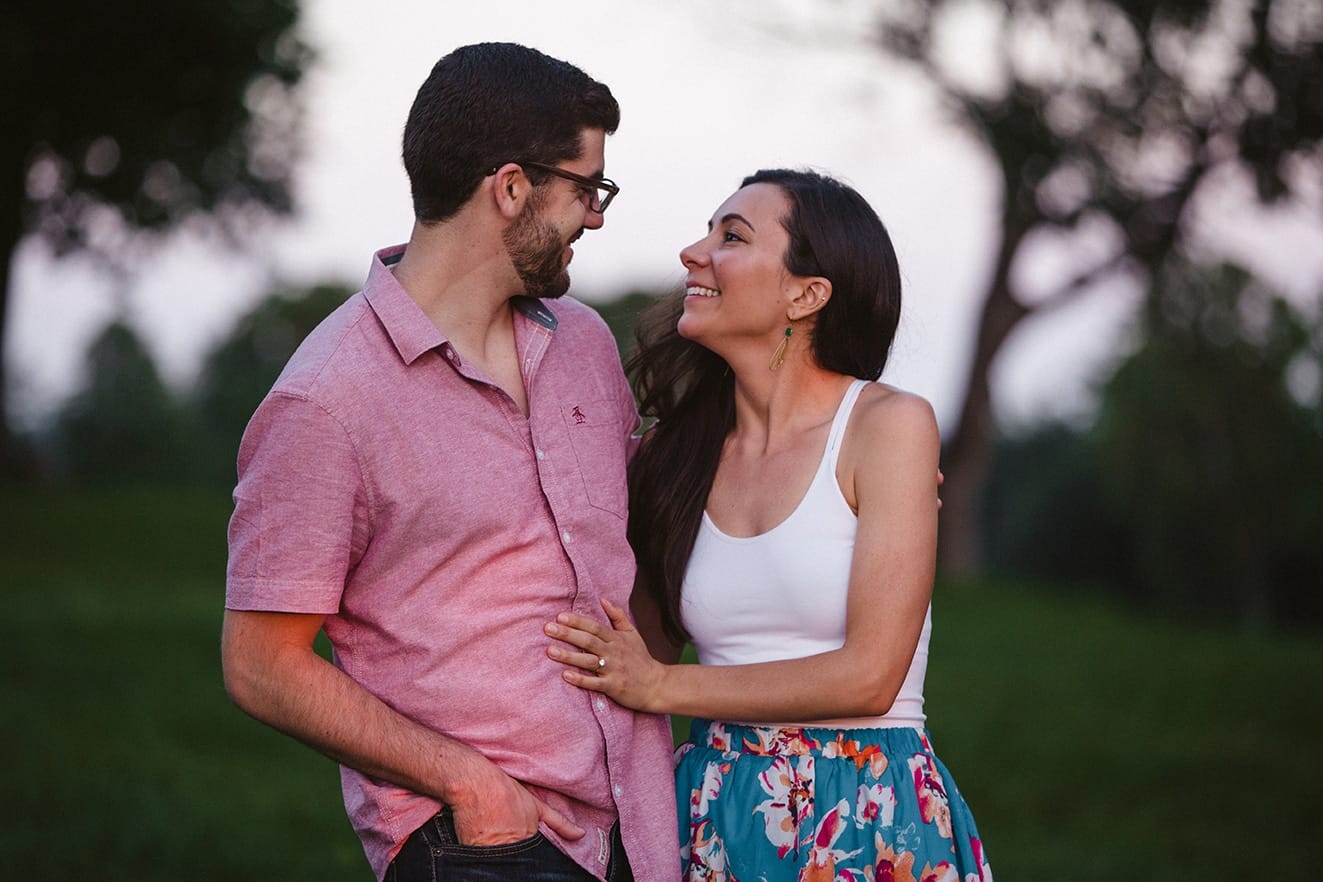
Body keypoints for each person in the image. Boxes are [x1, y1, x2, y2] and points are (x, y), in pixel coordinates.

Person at [221, 43, 678, 882]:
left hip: (635, 828)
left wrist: (837, 460)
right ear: (510, 188)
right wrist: (466, 783)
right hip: (479, 845)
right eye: (586, 189)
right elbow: (260, 665)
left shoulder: (579, 343)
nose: (598, 216)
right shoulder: (325, 401)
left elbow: (642, 508)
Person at [544, 169, 992, 881]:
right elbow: (632, 651)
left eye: (731, 237)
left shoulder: (887, 427)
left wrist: (661, 687)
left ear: (806, 294)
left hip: (868, 808)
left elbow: (869, 678)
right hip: (713, 812)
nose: (694, 252)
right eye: (708, 231)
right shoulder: (672, 454)